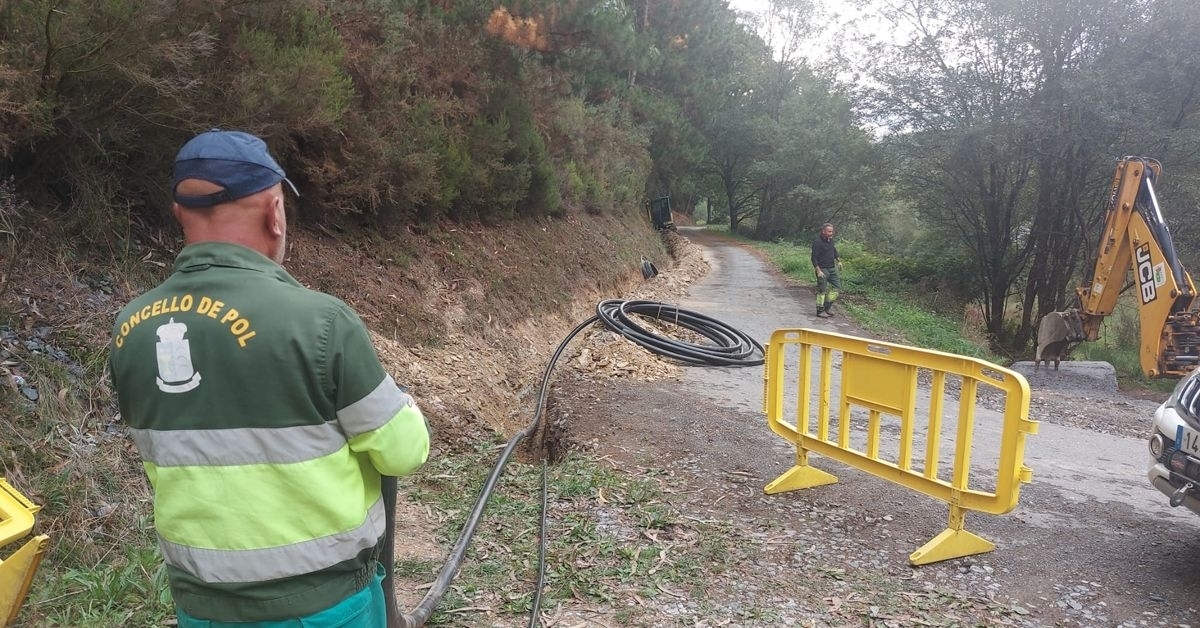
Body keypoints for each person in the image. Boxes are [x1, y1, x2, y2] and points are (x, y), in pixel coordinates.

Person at [108, 129, 431, 627]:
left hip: (201, 607)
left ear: (180, 214)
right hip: (322, 607)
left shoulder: (131, 327)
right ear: (274, 212)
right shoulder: (320, 323)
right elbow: (402, 452)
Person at [811, 222, 842, 318]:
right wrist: (818, 270)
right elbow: (813, 258)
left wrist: (839, 261)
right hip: (822, 269)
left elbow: (834, 250)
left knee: (837, 288)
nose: (831, 233)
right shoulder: (817, 242)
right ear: (823, 231)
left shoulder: (830, 240)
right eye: (829, 231)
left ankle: (827, 307)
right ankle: (820, 311)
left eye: (832, 231)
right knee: (822, 290)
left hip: (832, 268)